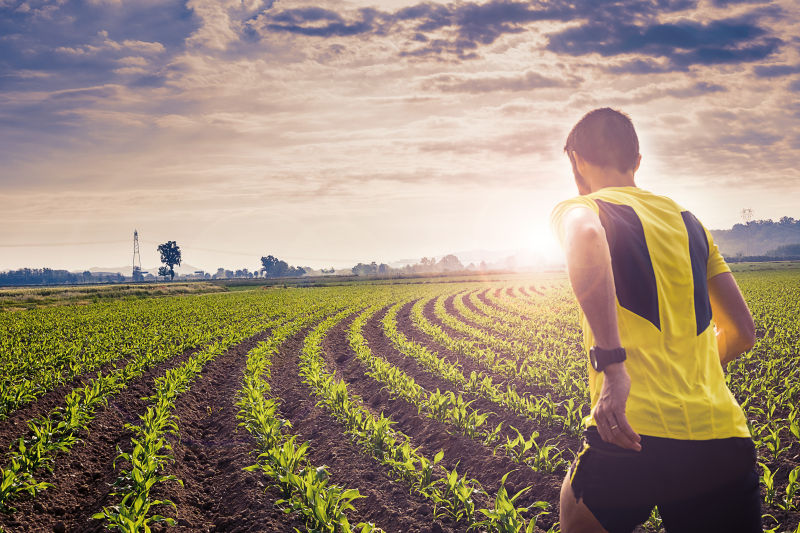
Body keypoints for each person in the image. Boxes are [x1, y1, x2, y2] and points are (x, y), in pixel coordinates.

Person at [550, 108, 760, 533]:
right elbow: (741, 333)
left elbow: (586, 237)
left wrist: (613, 367)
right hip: (722, 439)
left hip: (630, 433)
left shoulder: (583, 208)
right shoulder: (691, 224)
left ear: (576, 161)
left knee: (574, 517)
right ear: (637, 161)